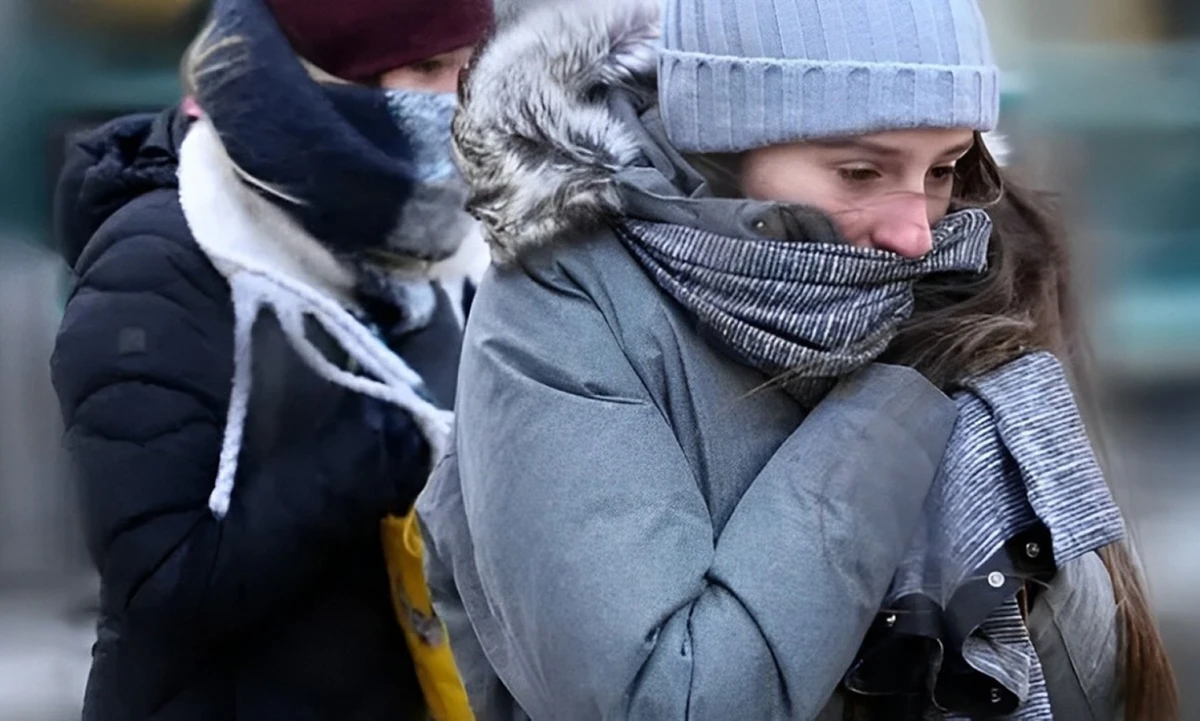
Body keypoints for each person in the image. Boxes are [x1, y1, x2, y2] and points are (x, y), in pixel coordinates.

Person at [415, 0, 1178, 719]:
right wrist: (889, 413)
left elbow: (1094, 668)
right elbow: (669, 697)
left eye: (942, 169)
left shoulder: (963, 278)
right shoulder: (561, 303)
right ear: (723, 143)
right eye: (860, 172)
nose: (916, 232)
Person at [48, 0, 492, 718]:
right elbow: (162, 584)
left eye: (470, 65)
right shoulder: (161, 262)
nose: (460, 99)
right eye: (430, 68)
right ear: (325, 80)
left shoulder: (443, 244)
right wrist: (385, 446)